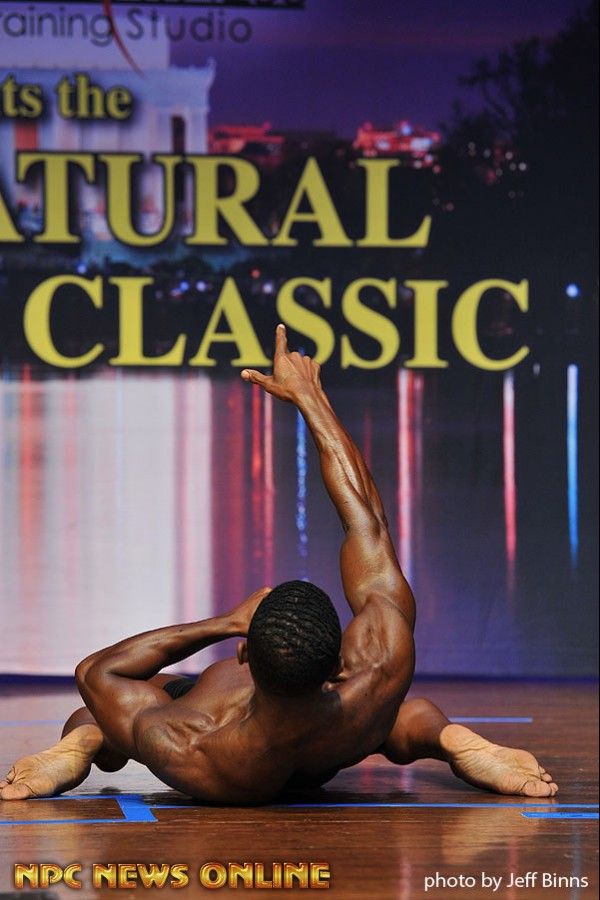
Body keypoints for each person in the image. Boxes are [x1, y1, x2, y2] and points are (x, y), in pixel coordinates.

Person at [0, 325, 557, 804]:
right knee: (401, 715)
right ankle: (453, 740)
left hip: (229, 769)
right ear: (339, 660)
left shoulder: (183, 742)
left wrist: (225, 622)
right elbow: (367, 522)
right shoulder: (375, 672)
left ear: (245, 654)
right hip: (337, 740)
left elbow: (96, 674)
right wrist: (311, 398)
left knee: (102, 715)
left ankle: (79, 745)